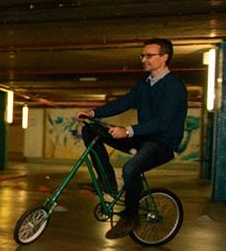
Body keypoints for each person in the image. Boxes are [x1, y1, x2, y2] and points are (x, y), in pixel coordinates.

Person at [76, 38, 187, 239]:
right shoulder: (144, 84)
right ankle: (107, 181)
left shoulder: (174, 86)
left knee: (130, 169)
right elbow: (125, 102)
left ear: (164, 57)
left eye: (149, 56)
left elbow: (161, 123)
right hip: (142, 139)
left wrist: (127, 131)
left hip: (162, 143)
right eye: (142, 55)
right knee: (91, 131)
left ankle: (130, 217)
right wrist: (93, 113)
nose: (143, 59)